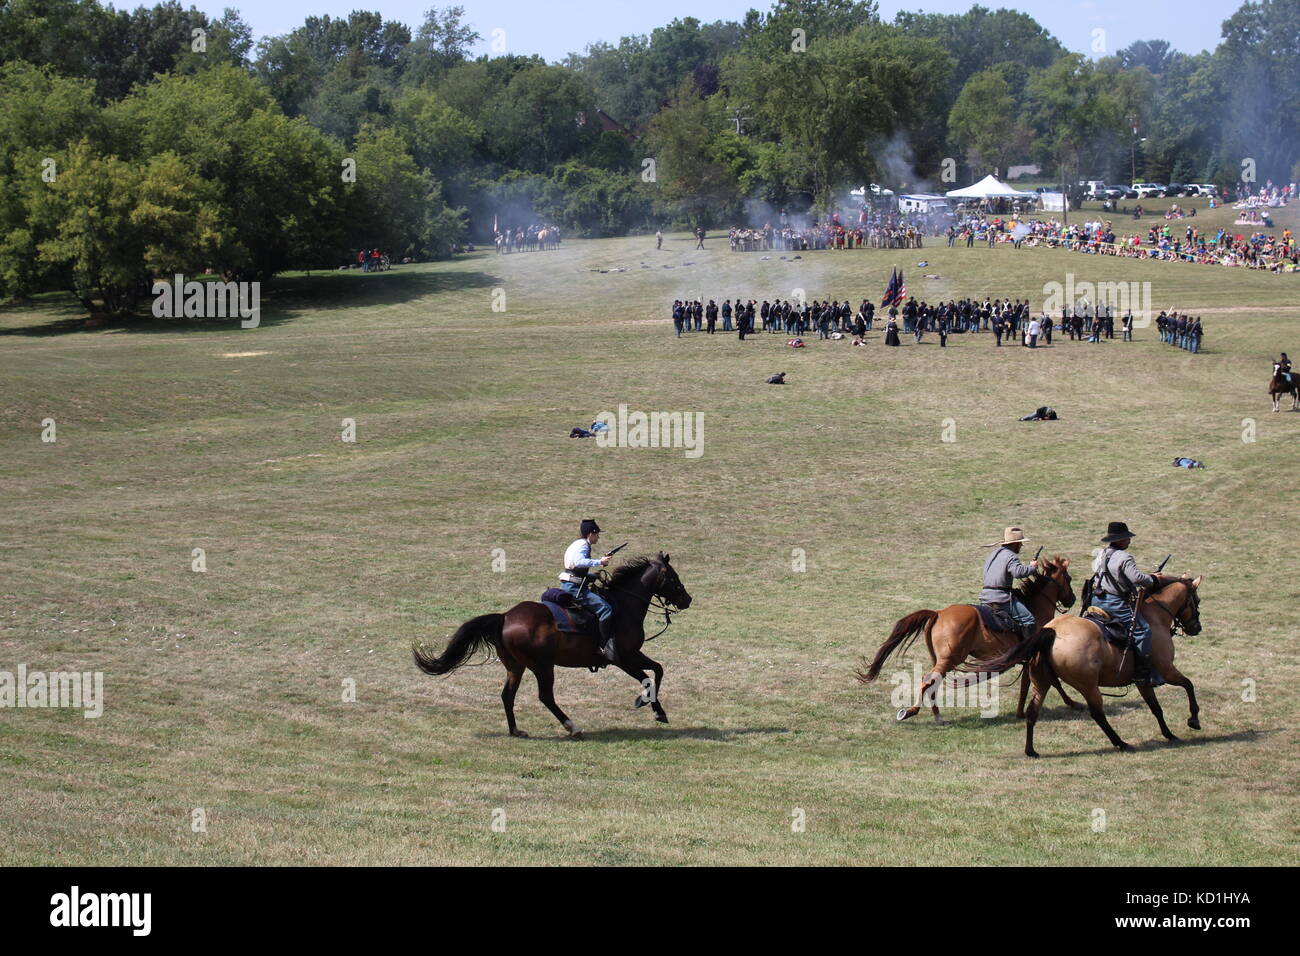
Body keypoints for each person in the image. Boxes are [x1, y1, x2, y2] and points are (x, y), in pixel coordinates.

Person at [1089, 521, 1167, 686]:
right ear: (1120, 539)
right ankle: (1141, 672)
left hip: (1097, 600)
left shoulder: (1102, 553)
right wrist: (1153, 578)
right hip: (1115, 603)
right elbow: (1137, 578)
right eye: (1127, 538)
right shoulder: (1125, 557)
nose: (1129, 541)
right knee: (1143, 630)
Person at [559, 519, 618, 663]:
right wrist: (600, 562)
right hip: (575, 588)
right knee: (606, 610)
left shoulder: (577, 543)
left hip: (571, 583)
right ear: (591, 533)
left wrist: (591, 575)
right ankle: (603, 646)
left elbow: (573, 567)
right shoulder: (584, 545)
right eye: (597, 534)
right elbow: (579, 562)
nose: (598, 537)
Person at [980, 527, 1040, 639]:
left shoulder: (993, 554)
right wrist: (1032, 567)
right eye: (1020, 543)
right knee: (1028, 619)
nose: (1021, 546)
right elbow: (1018, 572)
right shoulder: (1011, 556)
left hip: (985, 596)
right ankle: (1027, 651)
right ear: (1015, 544)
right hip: (1000, 597)